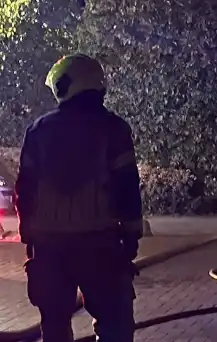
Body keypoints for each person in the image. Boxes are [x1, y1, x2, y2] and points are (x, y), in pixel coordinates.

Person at [16, 54, 143, 342]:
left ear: (65, 86)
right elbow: (127, 187)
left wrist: (29, 237)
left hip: (49, 248)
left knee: (55, 324)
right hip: (100, 245)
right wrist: (132, 236)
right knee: (114, 323)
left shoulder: (38, 131)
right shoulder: (114, 129)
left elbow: (25, 190)